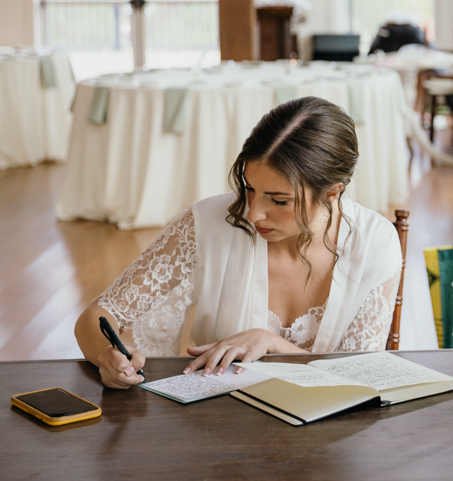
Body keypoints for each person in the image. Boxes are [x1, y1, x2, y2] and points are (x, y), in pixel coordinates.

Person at [74, 97, 403, 389]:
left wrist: (271, 343)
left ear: (332, 193)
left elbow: (358, 378)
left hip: (328, 430)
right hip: (218, 421)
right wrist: (107, 358)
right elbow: (97, 316)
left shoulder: (375, 243)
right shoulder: (206, 224)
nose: (253, 212)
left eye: (278, 200)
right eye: (249, 188)